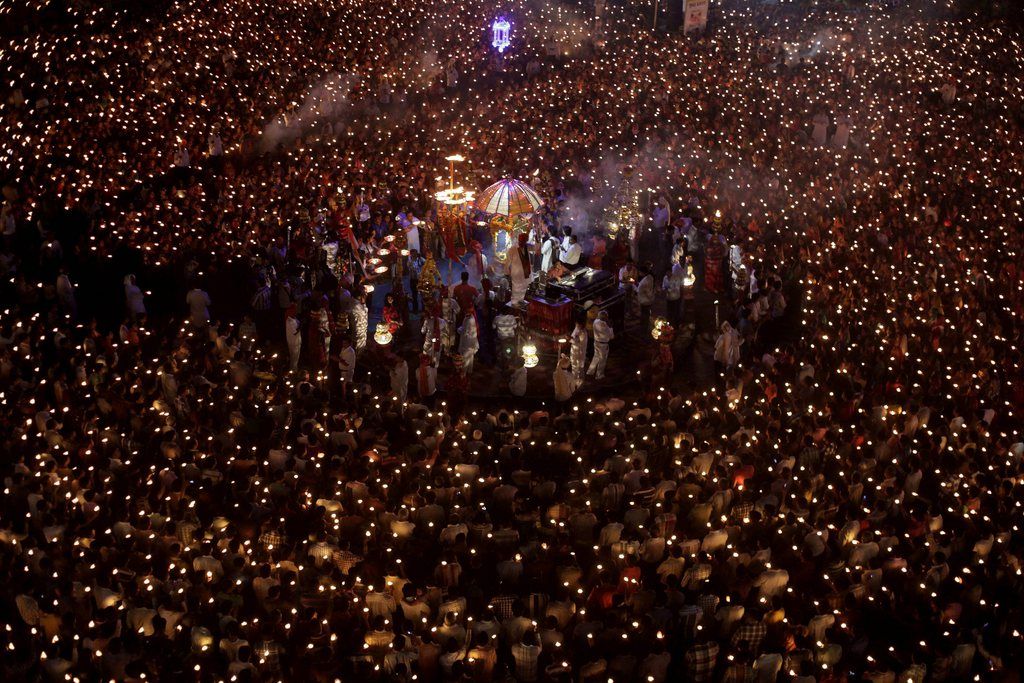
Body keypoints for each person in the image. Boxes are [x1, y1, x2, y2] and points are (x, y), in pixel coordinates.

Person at [587, 310, 614, 380]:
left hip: (596, 342)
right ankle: (599, 375)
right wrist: (611, 327)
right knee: (602, 360)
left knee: (596, 357)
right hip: (603, 345)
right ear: (605, 317)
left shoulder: (595, 322)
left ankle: (590, 371)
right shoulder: (606, 326)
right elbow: (612, 337)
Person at [508, 232, 533, 306]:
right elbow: (508, 262)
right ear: (519, 240)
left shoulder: (526, 247)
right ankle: (515, 303)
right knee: (516, 288)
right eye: (522, 240)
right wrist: (507, 272)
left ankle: (521, 300)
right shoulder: (513, 248)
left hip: (525, 272)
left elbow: (536, 249)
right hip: (516, 273)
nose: (523, 242)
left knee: (524, 286)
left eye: (525, 241)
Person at [637, 264, 655, 331]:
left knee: (644, 315)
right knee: (646, 314)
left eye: (639, 272)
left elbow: (641, 290)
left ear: (643, 272)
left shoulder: (644, 282)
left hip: (645, 301)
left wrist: (634, 286)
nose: (639, 273)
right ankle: (645, 327)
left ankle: (644, 328)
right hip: (648, 300)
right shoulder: (650, 277)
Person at [569, 319, 588, 386]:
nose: (576, 326)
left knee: (579, 367)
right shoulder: (577, 328)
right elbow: (573, 336)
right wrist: (570, 338)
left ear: (581, 325)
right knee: (574, 366)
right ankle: (574, 380)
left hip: (579, 352)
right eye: (576, 325)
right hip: (574, 351)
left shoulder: (583, 333)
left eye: (577, 325)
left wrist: (571, 340)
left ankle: (579, 382)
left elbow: (580, 344)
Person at [285, 305, 302, 371]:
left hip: (297, 342)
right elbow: (295, 332)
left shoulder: (294, 319)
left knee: (295, 358)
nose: (296, 312)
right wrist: (301, 325)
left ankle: (293, 369)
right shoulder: (289, 321)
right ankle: (293, 371)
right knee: (294, 358)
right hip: (294, 343)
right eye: (295, 311)